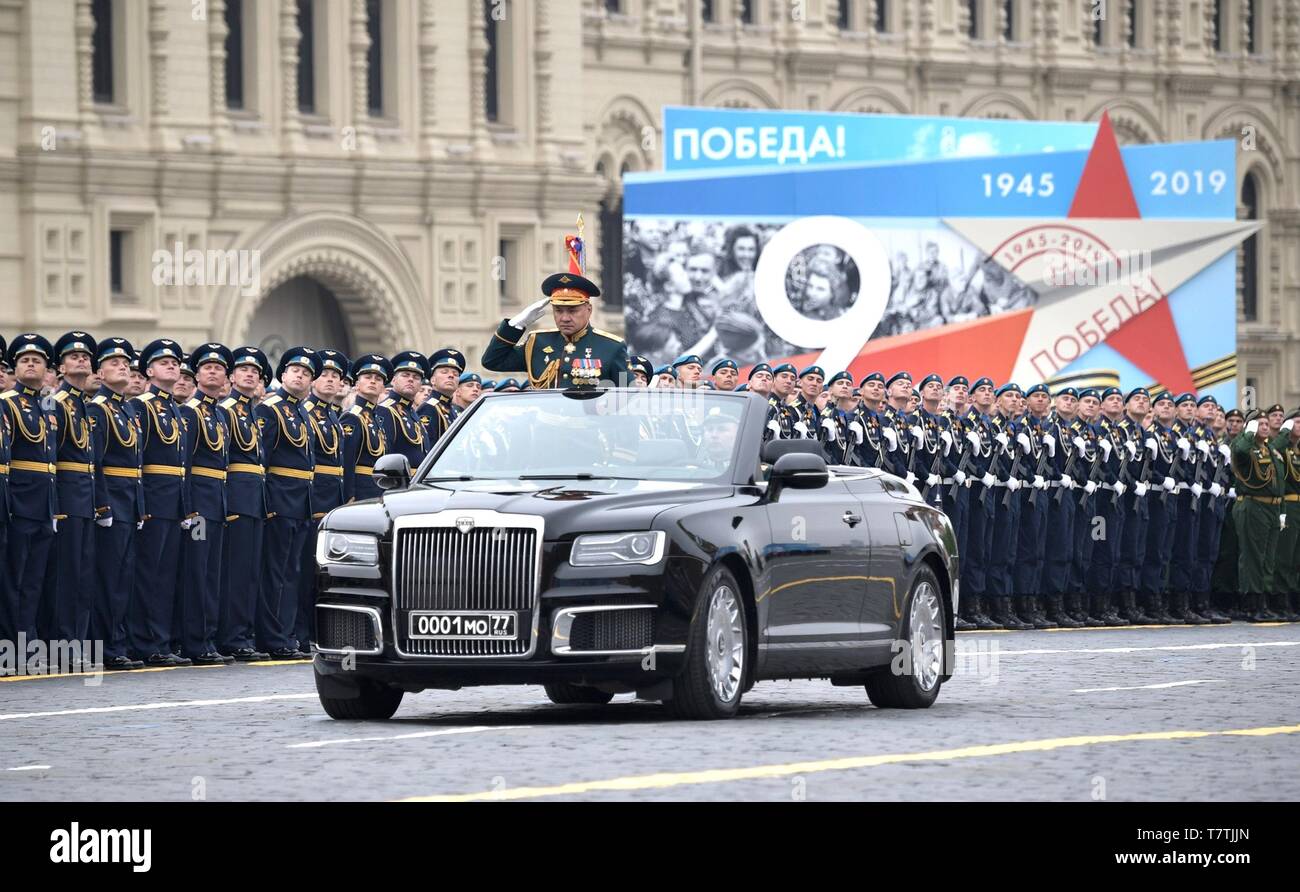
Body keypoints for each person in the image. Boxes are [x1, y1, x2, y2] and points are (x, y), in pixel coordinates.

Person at [129, 339, 192, 667]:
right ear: (149, 371)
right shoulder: (141, 406)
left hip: (172, 502)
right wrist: (142, 504)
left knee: (166, 575)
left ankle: (160, 640)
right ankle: (145, 641)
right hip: (153, 500)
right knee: (149, 574)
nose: (171, 366)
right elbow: (138, 459)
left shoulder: (175, 409)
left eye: (174, 362)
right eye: (163, 362)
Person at [255, 346, 318, 660]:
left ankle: (288, 633)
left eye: (306, 374)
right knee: (276, 573)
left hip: (300, 503)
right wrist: (268, 503)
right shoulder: (271, 408)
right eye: (296, 370)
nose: (301, 376)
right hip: (280, 500)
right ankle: (274, 636)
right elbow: (262, 460)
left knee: (292, 572)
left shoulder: (300, 411)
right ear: (282, 375)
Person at [1, 334, 58, 672]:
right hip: (19, 501)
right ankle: (11, 646)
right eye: (25, 360)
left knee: (34, 579)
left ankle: (28, 642)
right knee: (14, 578)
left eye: (37, 360)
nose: (32, 364)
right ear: (15, 368)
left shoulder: (47, 406)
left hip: (44, 504)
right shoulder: (7, 402)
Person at [86, 338, 144, 670]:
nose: (122, 366)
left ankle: (119, 641)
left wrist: (140, 506)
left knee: (124, 578)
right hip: (113, 501)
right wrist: (103, 505)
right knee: (109, 579)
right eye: (114, 363)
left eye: (126, 363)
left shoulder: (127, 408)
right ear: (100, 373)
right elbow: (97, 462)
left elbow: (137, 464)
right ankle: (107, 646)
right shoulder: (98, 409)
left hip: (130, 501)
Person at [176, 343, 234, 665]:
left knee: (211, 573)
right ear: (197, 375)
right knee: (197, 573)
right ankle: (194, 641)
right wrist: (189, 507)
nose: (213, 371)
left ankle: (207, 637)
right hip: (199, 505)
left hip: (218, 503)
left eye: (219, 368)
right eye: (207, 367)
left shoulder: (220, 413)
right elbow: (184, 463)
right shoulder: (190, 411)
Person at [215, 346, 271, 662]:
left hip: (254, 499)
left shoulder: (250, 411)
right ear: (232, 376)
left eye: (255, 371)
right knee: (235, 572)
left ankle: (244, 633)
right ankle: (232, 636)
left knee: (249, 572)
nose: (250, 374)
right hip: (236, 498)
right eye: (244, 370)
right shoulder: (225, 410)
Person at [47, 332, 101, 664]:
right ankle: (62, 644)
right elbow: (50, 456)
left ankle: (77, 643)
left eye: (85, 357)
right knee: (65, 576)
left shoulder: (84, 405)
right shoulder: (54, 403)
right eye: (73, 357)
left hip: (86, 498)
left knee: (83, 575)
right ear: (62, 367)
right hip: (67, 498)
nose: (81, 360)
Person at [483, 272, 630, 387]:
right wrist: (516, 325)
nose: (564, 318)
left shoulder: (612, 347)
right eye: (558, 310)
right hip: (545, 424)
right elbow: (493, 361)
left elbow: (627, 396)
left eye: (573, 311)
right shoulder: (537, 342)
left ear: (589, 310)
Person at [296, 348, 349, 653]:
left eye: (336, 377)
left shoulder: (332, 415)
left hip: (333, 501)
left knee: (326, 574)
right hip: (313, 501)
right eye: (325, 375)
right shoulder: (307, 413)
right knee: (305, 572)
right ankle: (302, 631)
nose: (331, 381)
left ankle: (316, 631)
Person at [1232, 408, 1284, 622]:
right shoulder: (1245, 446)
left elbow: (1279, 483)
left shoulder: (1271, 449)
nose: (1264, 427)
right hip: (1252, 505)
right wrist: (1248, 432)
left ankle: (1263, 600)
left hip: (1272, 508)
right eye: (1259, 424)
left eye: (1265, 424)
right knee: (1253, 557)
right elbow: (1241, 451)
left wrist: (1281, 512)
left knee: (1268, 558)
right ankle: (1251, 604)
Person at [340, 354, 390, 504]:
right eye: (367, 377)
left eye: (378, 379)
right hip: (360, 493)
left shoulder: (377, 418)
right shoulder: (352, 416)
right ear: (357, 384)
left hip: (378, 490)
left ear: (382, 387)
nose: (373, 381)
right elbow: (347, 461)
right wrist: (348, 495)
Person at [1269, 411, 1300, 621]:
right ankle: (1280, 600)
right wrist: (1285, 431)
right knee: (1285, 556)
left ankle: (1293, 599)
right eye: (1297, 422)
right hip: (1288, 504)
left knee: (1296, 557)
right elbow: (1275, 450)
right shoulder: (1283, 448)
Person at [376, 351, 430, 467]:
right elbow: (385, 454)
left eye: (416, 377)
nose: (411, 379)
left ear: (420, 384)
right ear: (393, 380)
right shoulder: (385, 410)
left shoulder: (411, 412)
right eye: (405, 375)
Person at [418, 348, 465, 444]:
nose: (451, 376)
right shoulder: (429, 407)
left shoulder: (452, 409)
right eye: (445, 372)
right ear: (433, 380)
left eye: (455, 374)